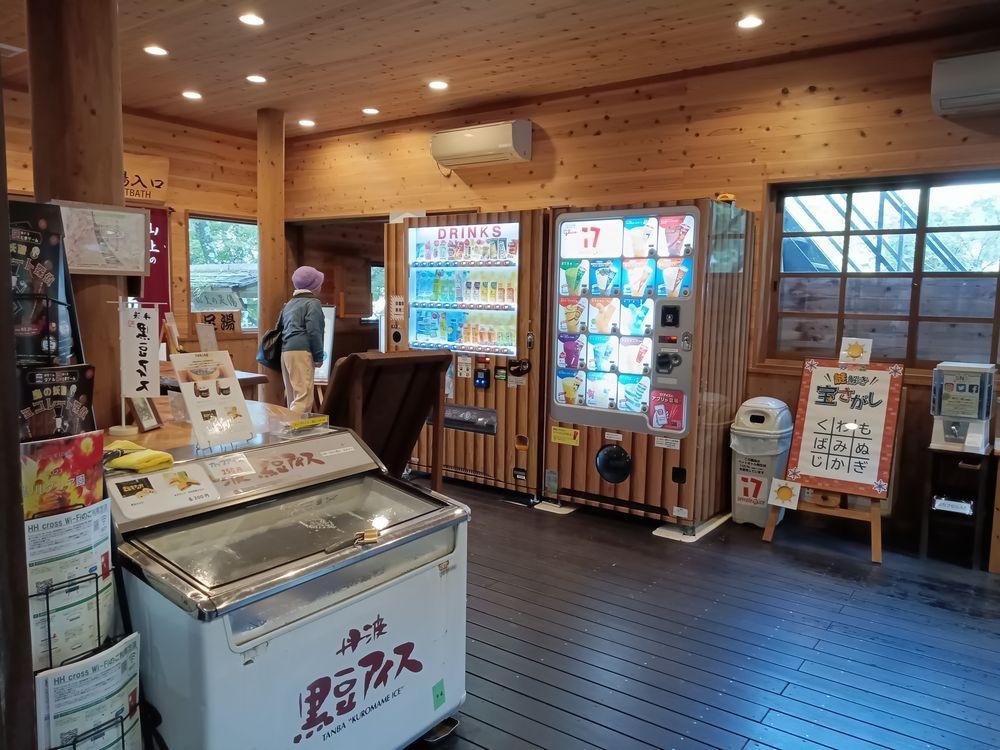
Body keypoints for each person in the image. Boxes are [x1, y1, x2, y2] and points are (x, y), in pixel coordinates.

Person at [280, 266, 326, 413]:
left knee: (293, 397)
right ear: (314, 286)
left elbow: (280, 327)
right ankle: (293, 426)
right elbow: (314, 331)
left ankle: (290, 424)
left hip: (286, 351)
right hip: (301, 351)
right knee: (303, 399)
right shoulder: (313, 303)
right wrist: (318, 357)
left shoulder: (289, 304)